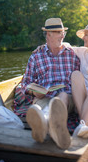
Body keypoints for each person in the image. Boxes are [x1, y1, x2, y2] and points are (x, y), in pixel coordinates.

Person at [13, 18, 80, 149]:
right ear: (48, 34)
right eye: (59, 32)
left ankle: (44, 123)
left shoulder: (72, 54)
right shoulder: (36, 56)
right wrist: (34, 92)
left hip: (67, 98)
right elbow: (25, 83)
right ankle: (53, 127)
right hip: (44, 96)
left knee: (63, 96)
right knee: (37, 106)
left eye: (63, 32)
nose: (62, 35)